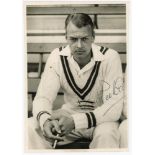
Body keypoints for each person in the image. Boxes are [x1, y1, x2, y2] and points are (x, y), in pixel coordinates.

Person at [28, 13, 124, 149]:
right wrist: (45, 121)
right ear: (66, 37)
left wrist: (75, 122)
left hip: (101, 120)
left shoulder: (109, 57)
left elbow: (113, 108)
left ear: (93, 37)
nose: (79, 45)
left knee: (106, 135)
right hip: (68, 117)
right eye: (73, 39)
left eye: (84, 39)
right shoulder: (57, 56)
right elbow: (43, 98)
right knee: (29, 127)